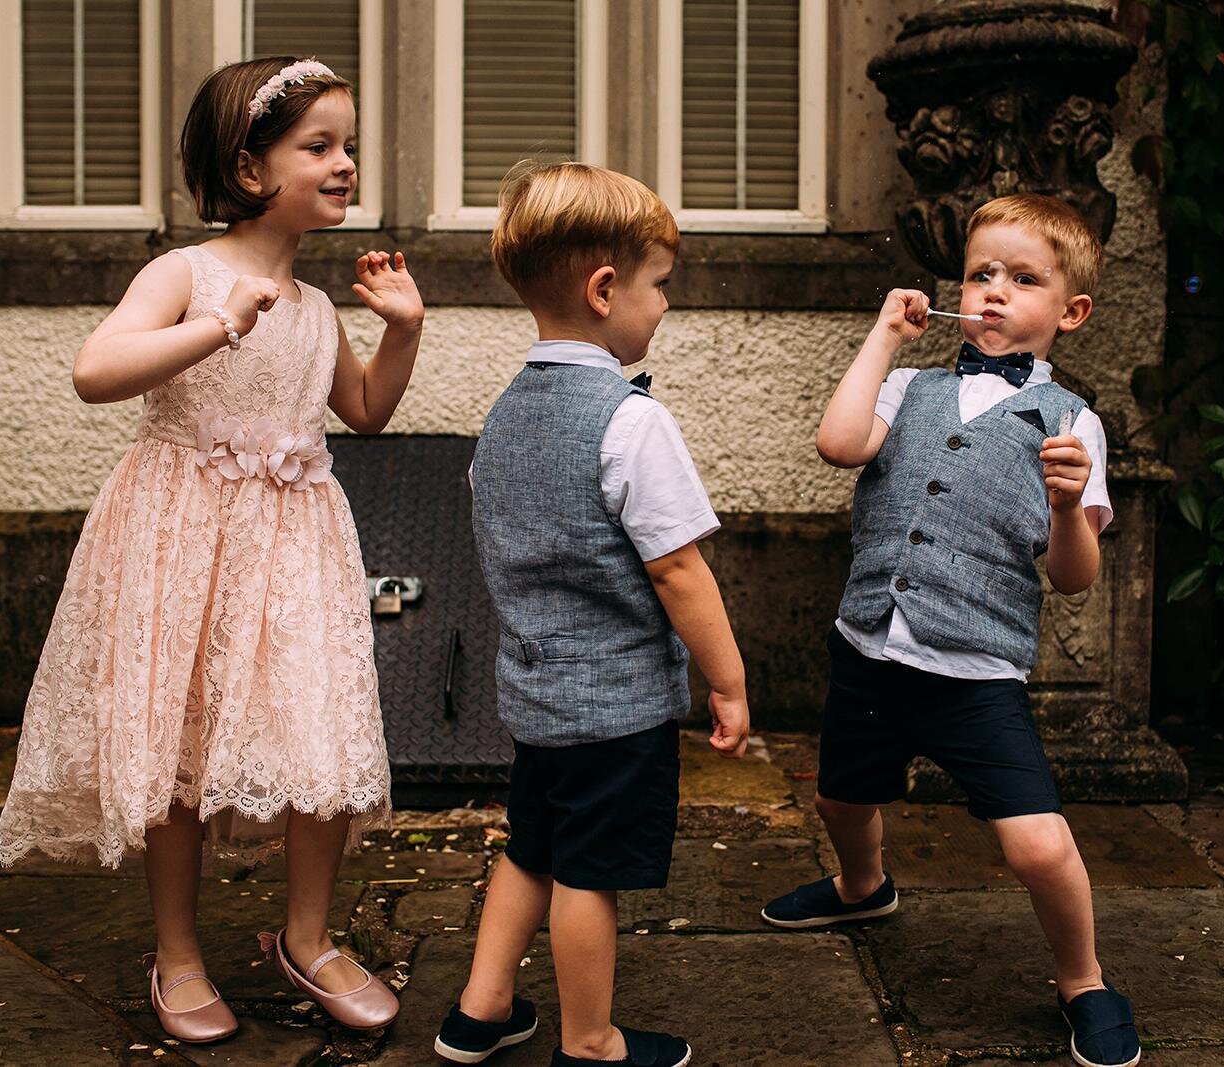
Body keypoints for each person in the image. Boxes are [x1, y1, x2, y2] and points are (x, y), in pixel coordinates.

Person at [0, 56, 422, 1043]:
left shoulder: (315, 307)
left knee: (319, 735)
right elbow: (95, 371)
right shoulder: (186, 273)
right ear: (248, 161)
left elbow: (362, 410)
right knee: (177, 744)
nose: (344, 162)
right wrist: (211, 326)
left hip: (294, 538)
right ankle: (178, 953)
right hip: (183, 535)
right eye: (319, 145)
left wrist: (399, 333)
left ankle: (307, 936)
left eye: (348, 144)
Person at [761, 194, 1141, 1067]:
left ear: (1070, 312)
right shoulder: (908, 385)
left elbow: (1074, 578)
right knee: (840, 798)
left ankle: (1083, 977)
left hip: (977, 672)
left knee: (1036, 842)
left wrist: (1066, 505)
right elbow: (838, 443)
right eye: (981, 274)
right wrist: (883, 337)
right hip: (870, 646)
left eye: (1024, 278)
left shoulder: (1074, 424)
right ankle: (863, 886)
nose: (996, 291)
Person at [432, 162, 749, 1067]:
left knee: (531, 846)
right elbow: (680, 568)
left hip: (534, 696)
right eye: (659, 286)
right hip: (615, 708)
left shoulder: (503, 416)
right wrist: (727, 680)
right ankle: (591, 1040)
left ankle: (480, 1009)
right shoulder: (629, 420)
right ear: (605, 289)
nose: (663, 308)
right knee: (589, 874)